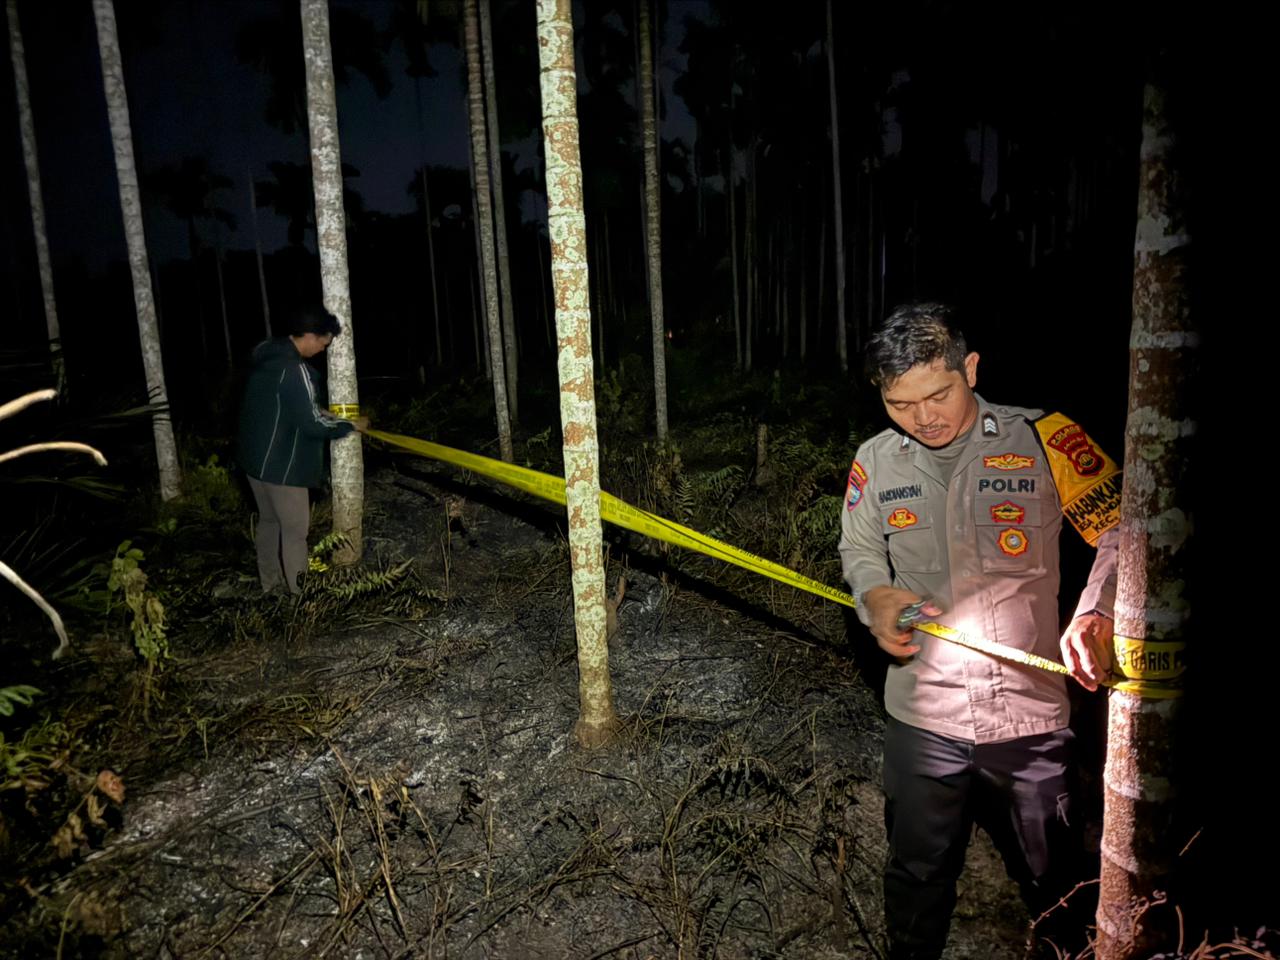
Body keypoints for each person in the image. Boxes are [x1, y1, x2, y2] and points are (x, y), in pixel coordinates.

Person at [838, 303, 1121, 959]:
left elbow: (1120, 529)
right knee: (915, 880)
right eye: (900, 403)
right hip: (921, 716)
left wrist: (1098, 610)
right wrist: (875, 595)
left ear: (969, 368)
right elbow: (860, 549)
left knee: (1056, 884)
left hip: (1030, 718)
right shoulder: (876, 460)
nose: (923, 417)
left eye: (937, 394)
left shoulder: (1046, 439)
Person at [237, 306, 368, 595]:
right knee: (295, 532)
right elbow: (311, 425)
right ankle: (302, 598)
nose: (322, 349)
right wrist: (349, 425)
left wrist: (323, 412)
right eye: (323, 343)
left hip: (253, 461)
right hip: (282, 466)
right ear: (309, 335)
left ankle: (271, 585)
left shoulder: (266, 353)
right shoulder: (296, 370)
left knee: (269, 521)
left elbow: (286, 403)